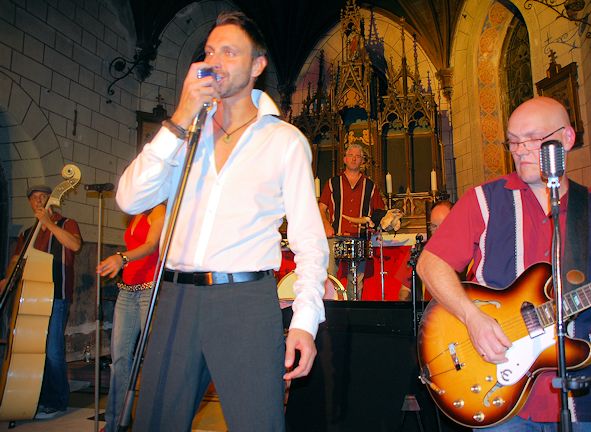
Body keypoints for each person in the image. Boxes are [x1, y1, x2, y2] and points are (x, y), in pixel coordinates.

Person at [115, 11, 328, 431]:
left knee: (258, 423)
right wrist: (180, 117)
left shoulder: (284, 142)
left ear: (257, 65)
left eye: (229, 52)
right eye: (210, 52)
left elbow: (309, 241)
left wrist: (305, 322)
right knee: (156, 423)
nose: (215, 61)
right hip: (175, 298)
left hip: (244, 302)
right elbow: (130, 197)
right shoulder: (184, 134)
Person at [416, 96, 591, 431]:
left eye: (533, 139)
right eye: (513, 141)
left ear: (567, 138)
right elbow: (430, 264)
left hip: (587, 398)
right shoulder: (484, 200)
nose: (520, 150)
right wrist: (472, 318)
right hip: (500, 399)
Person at [0, 185, 82, 420]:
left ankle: (56, 401)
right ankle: (35, 397)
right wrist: (6, 279)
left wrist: (49, 223)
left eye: (43, 197)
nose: (39, 201)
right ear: (29, 202)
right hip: (30, 296)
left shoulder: (67, 223)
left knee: (53, 351)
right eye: (34, 198)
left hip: (56, 295)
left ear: (51, 200)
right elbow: (16, 260)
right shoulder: (28, 233)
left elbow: (75, 245)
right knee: (33, 351)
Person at [96, 204, 165, 432]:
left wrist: (121, 258)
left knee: (153, 359)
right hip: (127, 291)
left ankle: (151, 422)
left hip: (149, 290)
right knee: (119, 359)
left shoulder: (159, 211)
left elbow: (151, 245)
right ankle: (116, 423)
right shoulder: (136, 214)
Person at [318, 143, 385, 299]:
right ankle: (332, 308)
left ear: (362, 160)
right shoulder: (333, 183)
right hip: (335, 236)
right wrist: (326, 225)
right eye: (351, 155)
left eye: (358, 156)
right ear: (345, 159)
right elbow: (321, 208)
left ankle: (353, 308)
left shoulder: (370, 186)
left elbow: (379, 211)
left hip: (359, 237)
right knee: (330, 277)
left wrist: (376, 224)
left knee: (356, 282)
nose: (354, 159)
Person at [396, 200, 452, 301]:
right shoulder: (419, 252)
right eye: (434, 226)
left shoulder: (467, 252)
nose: (438, 232)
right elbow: (405, 290)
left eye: (444, 225)